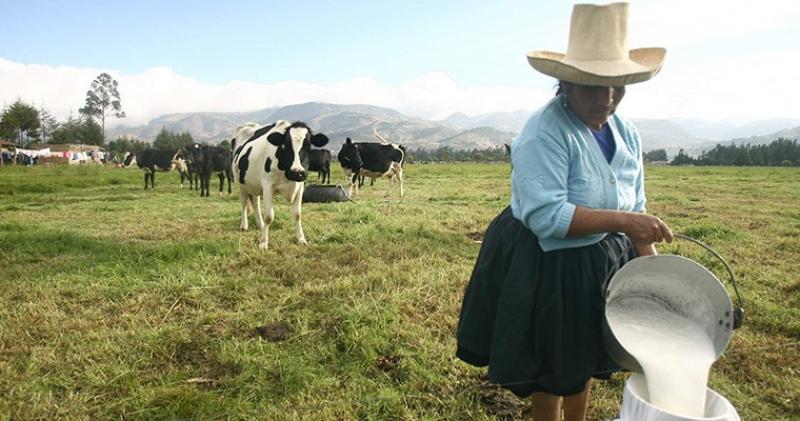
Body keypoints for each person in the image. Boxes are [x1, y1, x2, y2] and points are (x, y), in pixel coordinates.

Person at [455, 3, 674, 420]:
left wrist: (655, 274)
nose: (606, 100)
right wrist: (625, 222)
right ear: (566, 83)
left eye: (616, 88)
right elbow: (547, 216)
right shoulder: (545, 132)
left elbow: (635, 204)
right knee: (552, 361)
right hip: (549, 262)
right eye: (592, 87)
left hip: (600, 259)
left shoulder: (625, 132)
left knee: (583, 352)